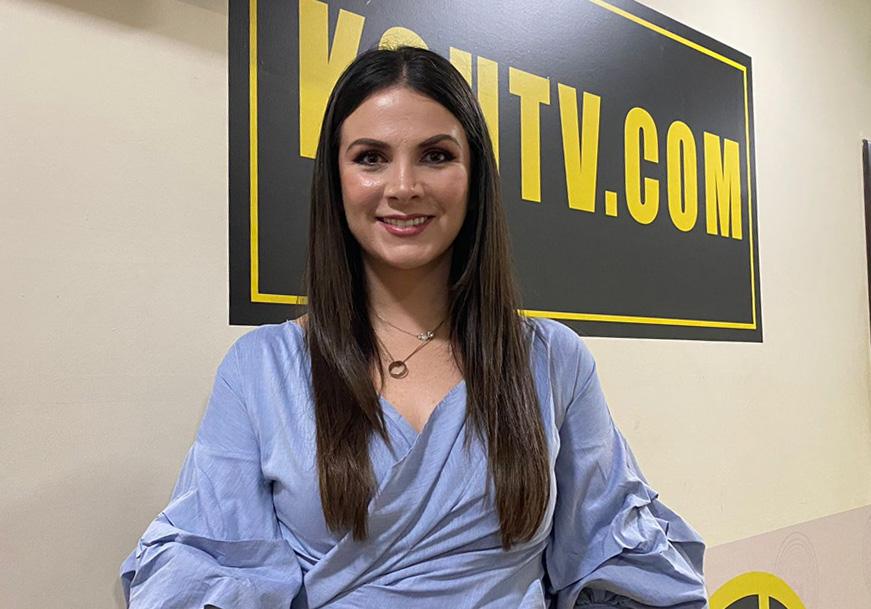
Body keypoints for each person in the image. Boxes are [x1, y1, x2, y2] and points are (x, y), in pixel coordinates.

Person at [120, 45, 707, 608]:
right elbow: (213, 562)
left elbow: (611, 551)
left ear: (474, 175)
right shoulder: (260, 370)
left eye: (436, 155)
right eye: (370, 157)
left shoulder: (553, 359)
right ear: (336, 179)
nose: (403, 187)